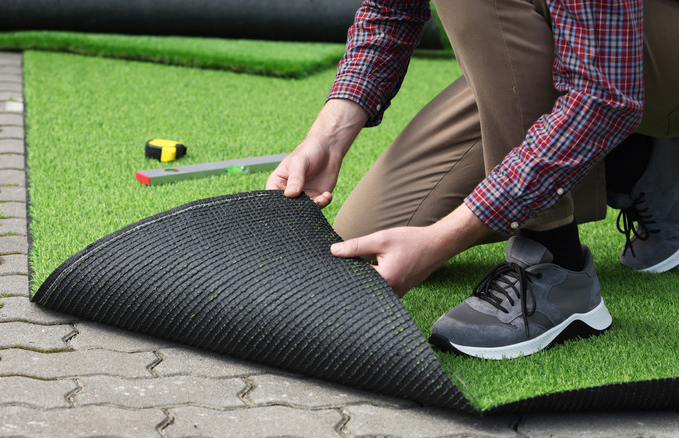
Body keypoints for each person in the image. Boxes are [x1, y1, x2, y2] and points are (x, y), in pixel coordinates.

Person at [266, 0, 679, 359]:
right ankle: (640, 162)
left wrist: (443, 238)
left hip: (638, 59)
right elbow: (391, 10)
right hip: (586, 48)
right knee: (367, 232)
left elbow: (607, 97)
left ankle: (557, 263)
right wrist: (326, 137)